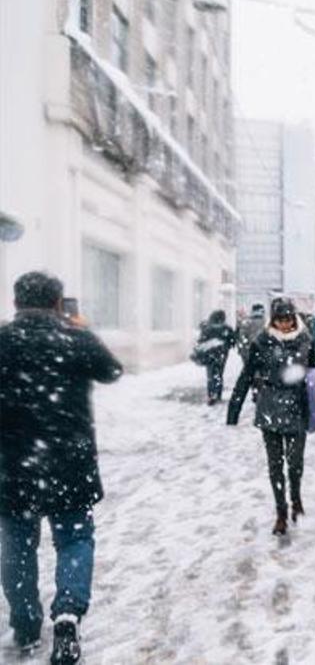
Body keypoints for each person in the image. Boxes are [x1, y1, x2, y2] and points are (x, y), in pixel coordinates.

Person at [0, 271, 123, 663]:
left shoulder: (2, 341)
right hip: (70, 464)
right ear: (58, 303)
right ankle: (68, 614)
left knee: (17, 544)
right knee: (74, 539)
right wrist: (79, 331)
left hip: (13, 465)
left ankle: (24, 622)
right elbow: (112, 370)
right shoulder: (74, 338)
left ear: (17, 303)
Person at [227, 298, 315, 536]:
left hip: (297, 407)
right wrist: (233, 411)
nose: (284, 324)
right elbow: (246, 375)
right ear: (273, 319)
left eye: (289, 319)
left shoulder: (305, 340)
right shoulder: (262, 342)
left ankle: (296, 498)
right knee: (275, 465)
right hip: (270, 407)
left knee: (296, 463)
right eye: (280, 319)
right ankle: (280, 511)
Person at [195, 309, 236, 405]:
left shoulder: (207, 328)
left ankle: (211, 394)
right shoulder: (226, 328)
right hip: (222, 354)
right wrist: (226, 346)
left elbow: (201, 341)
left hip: (210, 354)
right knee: (219, 373)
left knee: (210, 374)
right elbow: (232, 341)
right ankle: (218, 393)